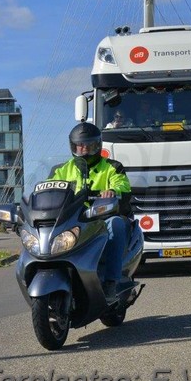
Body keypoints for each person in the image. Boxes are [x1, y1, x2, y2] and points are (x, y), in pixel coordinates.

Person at [50, 122, 132, 302]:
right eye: (80, 145)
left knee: (115, 224)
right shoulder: (61, 170)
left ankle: (110, 282)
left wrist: (112, 192)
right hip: (73, 218)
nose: (84, 149)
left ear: (98, 145)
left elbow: (123, 186)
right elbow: (49, 191)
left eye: (89, 145)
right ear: (73, 146)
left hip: (101, 217)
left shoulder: (112, 167)